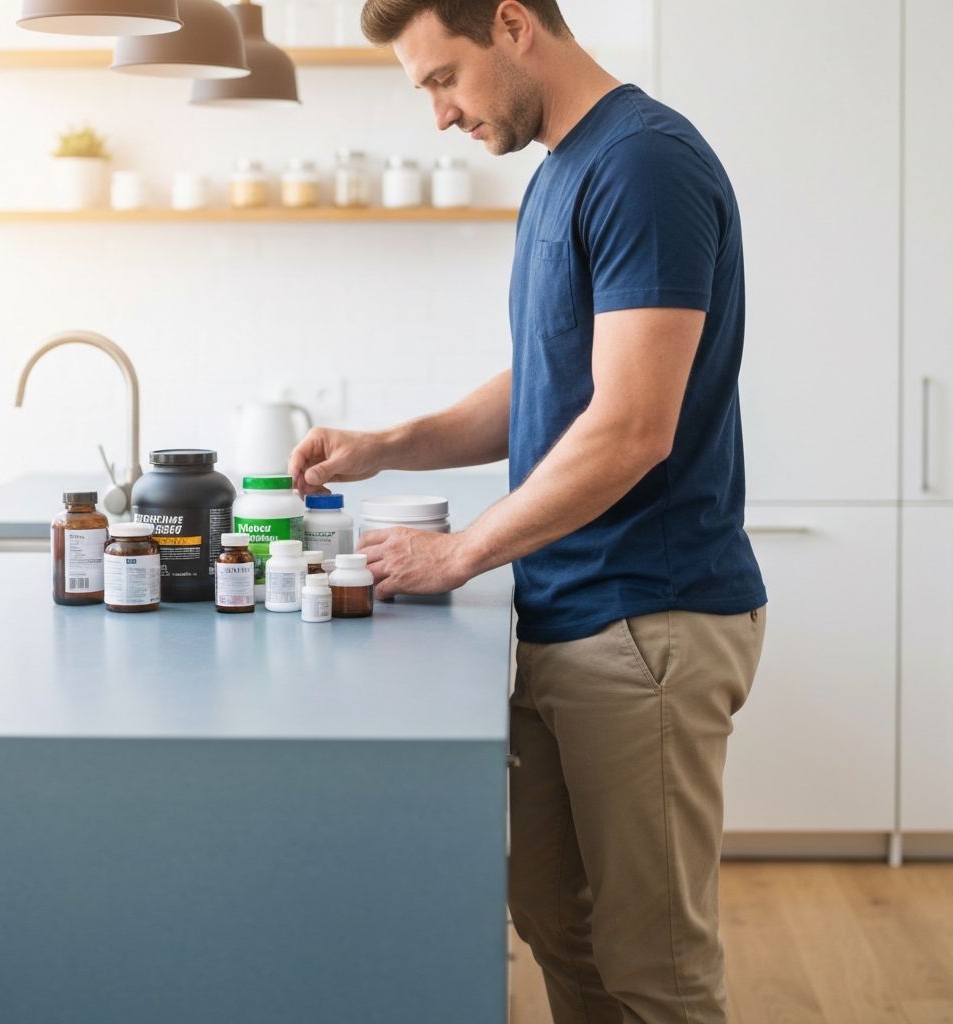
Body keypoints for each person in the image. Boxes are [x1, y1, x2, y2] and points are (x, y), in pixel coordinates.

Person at [289, 1, 767, 1020]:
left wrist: (460, 552)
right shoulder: (563, 174)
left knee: (657, 974)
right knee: (559, 922)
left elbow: (632, 426)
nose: (438, 114)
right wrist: (386, 446)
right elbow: (551, 380)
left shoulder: (645, 163)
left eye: (440, 78)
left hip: (648, 621)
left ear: (510, 23)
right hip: (566, 610)